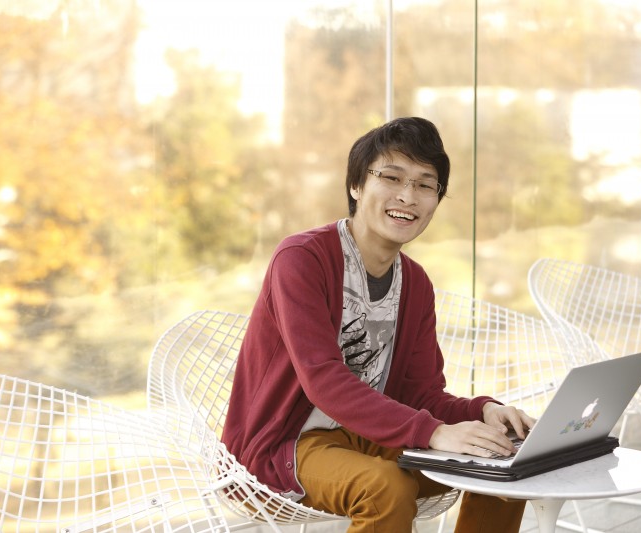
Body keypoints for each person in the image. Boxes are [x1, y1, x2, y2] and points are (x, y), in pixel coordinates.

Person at [222, 116, 535, 532]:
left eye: (426, 185)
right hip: (286, 444)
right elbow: (323, 379)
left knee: (498, 462)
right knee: (385, 487)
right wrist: (434, 432)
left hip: (371, 435)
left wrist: (484, 411)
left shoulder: (416, 284)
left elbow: (420, 393)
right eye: (392, 177)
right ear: (356, 185)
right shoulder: (302, 259)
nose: (408, 196)